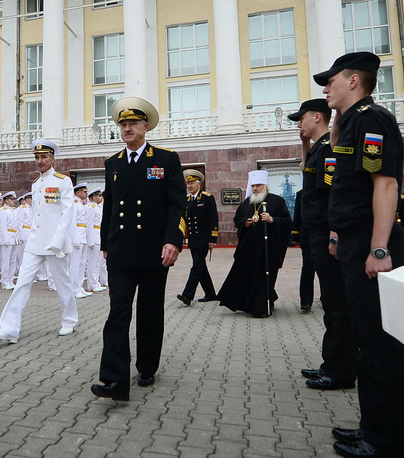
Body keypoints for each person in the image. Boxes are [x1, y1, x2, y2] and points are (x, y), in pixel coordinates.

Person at [318, 51, 404, 458]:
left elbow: (385, 185)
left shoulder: (371, 118)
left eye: (331, 80)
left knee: (380, 342)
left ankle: (390, 439)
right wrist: (340, 235)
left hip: (372, 245)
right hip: (355, 241)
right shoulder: (352, 121)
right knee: (367, 339)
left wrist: (378, 248)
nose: (326, 88)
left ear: (354, 81)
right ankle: (373, 426)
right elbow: (348, 188)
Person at [91, 97, 185, 402]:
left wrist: (173, 240)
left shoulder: (165, 159)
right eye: (123, 124)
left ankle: (146, 366)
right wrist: (105, 244)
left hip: (154, 251)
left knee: (149, 310)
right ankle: (114, 380)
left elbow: (176, 205)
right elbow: (110, 209)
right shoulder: (113, 163)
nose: (127, 128)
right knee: (117, 312)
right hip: (120, 252)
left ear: (146, 127)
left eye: (133, 123)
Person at [292, 98, 355, 391]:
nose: (298, 124)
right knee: (330, 302)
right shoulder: (317, 148)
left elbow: (333, 196)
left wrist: (334, 234)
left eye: (301, 119)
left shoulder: (329, 148)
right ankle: (331, 363)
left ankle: (340, 370)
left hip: (326, 233)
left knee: (336, 303)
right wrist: (304, 143)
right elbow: (307, 171)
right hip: (314, 233)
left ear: (317, 117)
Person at [0, 138, 79, 344]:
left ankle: (69, 320)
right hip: (35, 242)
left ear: (52, 158)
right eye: (37, 157)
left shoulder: (62, 181)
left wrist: (57, 241)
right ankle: (10, 329)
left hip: (55, 244)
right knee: (22, 283)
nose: (40, 161)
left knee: (62, 283)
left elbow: (66, 214)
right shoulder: (36, 184)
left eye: (44, 157)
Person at [217, 170, 291, 318]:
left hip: (268, 248)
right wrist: (245, 222)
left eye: (258, 185)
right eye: (253, 186)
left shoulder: (277, 201)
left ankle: (261, 307)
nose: (255, 188)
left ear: (266, 186)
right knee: (247, 277)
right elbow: (237, 220)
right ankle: (247, 303)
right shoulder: (246, 203)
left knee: (264, 278)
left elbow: (288, 223)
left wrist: (272, 220)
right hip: (249, 248)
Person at [176, 169, 219, 306]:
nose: (189, 186)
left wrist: (213, 239)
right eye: (187, 184)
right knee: (201, 267)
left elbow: (213, 220)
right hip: (193, 240)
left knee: (196, 267)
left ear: (199, 184)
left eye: (192, 183)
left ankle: (187, 295)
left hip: (204, 239)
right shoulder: (187, 200)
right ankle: (211, 294)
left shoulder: (207, 198)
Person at [70, 183, 93, 299]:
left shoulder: (80, 204)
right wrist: (74, 239)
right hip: (77, 236)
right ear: (78, 192)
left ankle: (79, 287)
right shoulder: (74, 204)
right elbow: (72, 222)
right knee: (75, 264)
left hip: (82, 235)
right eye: (84, 192)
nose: (86, 194)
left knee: (82, 263)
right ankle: (74, 288)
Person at [85, 189, 105, 293]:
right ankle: (91, 284)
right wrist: (90, 241)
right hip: (94, 235)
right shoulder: (91, 208)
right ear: (92, 197)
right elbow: (89, 225)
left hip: (99, 235)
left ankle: (95, 282)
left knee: (98, 261)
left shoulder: (97, 207)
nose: (100, 197)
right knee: (92, 262)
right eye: (98, 196)